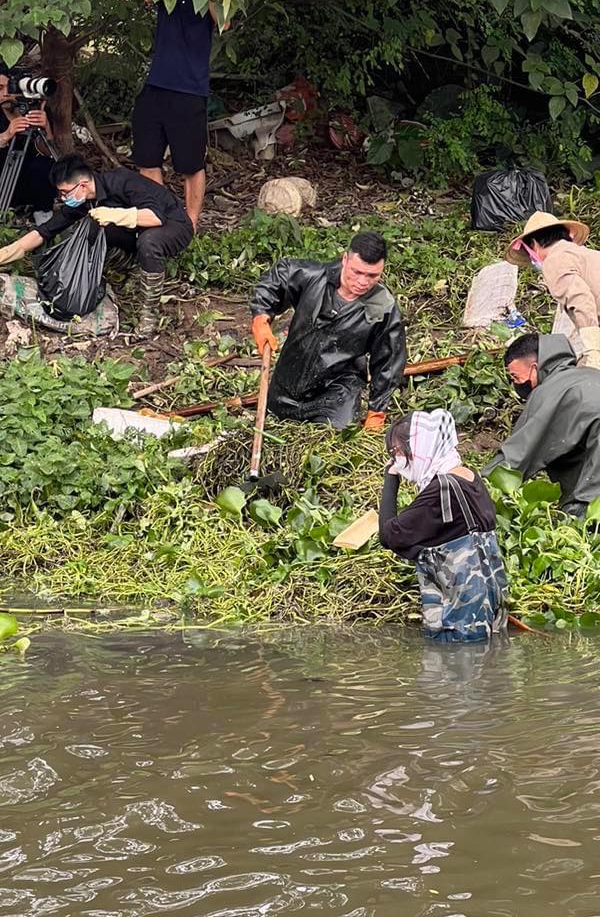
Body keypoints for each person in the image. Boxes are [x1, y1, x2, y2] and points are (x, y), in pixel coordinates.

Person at [0, 151, 194, 334]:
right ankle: (130, 269)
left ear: (83, 185)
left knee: (149, 241)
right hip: (136, 232)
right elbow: (45, 231)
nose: (63, 198)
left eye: (65, 192)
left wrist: (116, 215)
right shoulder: (84, 201)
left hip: (173, 226)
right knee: (95, 227)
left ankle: (149, 315)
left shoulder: (123, 181)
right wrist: (0, 255)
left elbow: (156, 217)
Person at [249, 231, 406, 432]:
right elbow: (280, 276)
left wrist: (377, 411)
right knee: (273, 427)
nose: (362, 282)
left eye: (372, 275)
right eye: (356, 272)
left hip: (337, 391)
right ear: (345, 259)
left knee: (333, 439)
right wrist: (261, 317)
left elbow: (389, 361)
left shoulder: (382, 308)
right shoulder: (316, 277)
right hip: (289, 381)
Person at [379, 411, 508, 643]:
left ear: (421, 448)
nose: (397, 459)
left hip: (457, 619)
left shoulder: (440, 491)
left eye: (398, 452)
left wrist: (391, 480)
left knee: (454, 669)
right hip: (489, 609)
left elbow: (390, 534)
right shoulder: (469, 476)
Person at [131, 0, 229, 230]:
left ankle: (190, 223)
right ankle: (162, 216)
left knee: (190, 164)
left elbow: (224, 23)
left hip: (190, 90)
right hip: (156, 84)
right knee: (146, 158)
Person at [488, 332, 600, 516]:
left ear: (534, 367)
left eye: (515, 377)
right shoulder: (590, 375)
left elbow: (519, 452)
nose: (517, 384)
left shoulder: (548, 392)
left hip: (595, 494)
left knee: (580, 531)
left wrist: (476, 487)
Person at [506, 211, 600, 369]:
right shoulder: (589, 254)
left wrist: (593, 350)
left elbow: (581, 300)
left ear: (534, 244)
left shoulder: (554, 260)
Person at [0, 66, 56, 212]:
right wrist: (6, 135)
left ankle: (42, 211)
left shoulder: (37, 110)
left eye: (10, 88)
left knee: (44, 164)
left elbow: (48, 153)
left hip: (29, 181)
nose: (5, 94)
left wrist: (46, 129)